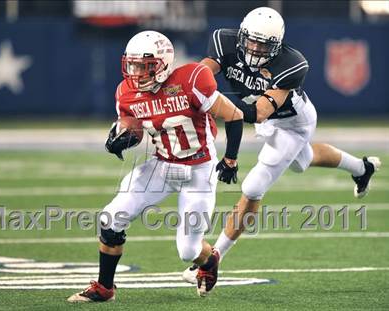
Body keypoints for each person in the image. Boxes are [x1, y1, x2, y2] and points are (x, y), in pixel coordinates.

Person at [183, 7, 381, 283]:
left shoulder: (291, 63)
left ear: (276, 46)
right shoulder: (223, 41)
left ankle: (214, 258)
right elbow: (200, 76)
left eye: (263, 44)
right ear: (241, 35)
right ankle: (362, 168)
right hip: (265, 119)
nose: (254, 48)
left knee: (253, 187)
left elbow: (260, 111)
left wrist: (215, 105)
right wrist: (185, 87)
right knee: (303, 160)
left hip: (292, 122)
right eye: (251, 40)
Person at [67, 30, 243, 302]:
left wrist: (230, 159)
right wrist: (120, 139)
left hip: (198, 170)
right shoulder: (125, 93)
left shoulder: (192, 78)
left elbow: (234, 115)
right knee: (111, 219)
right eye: (133, 65)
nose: (136, 73)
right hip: (161, 166)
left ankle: (209, 261)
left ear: (163, 63)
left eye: (145, 66)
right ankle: (104, 288)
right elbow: (133, 128)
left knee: (188, 250)